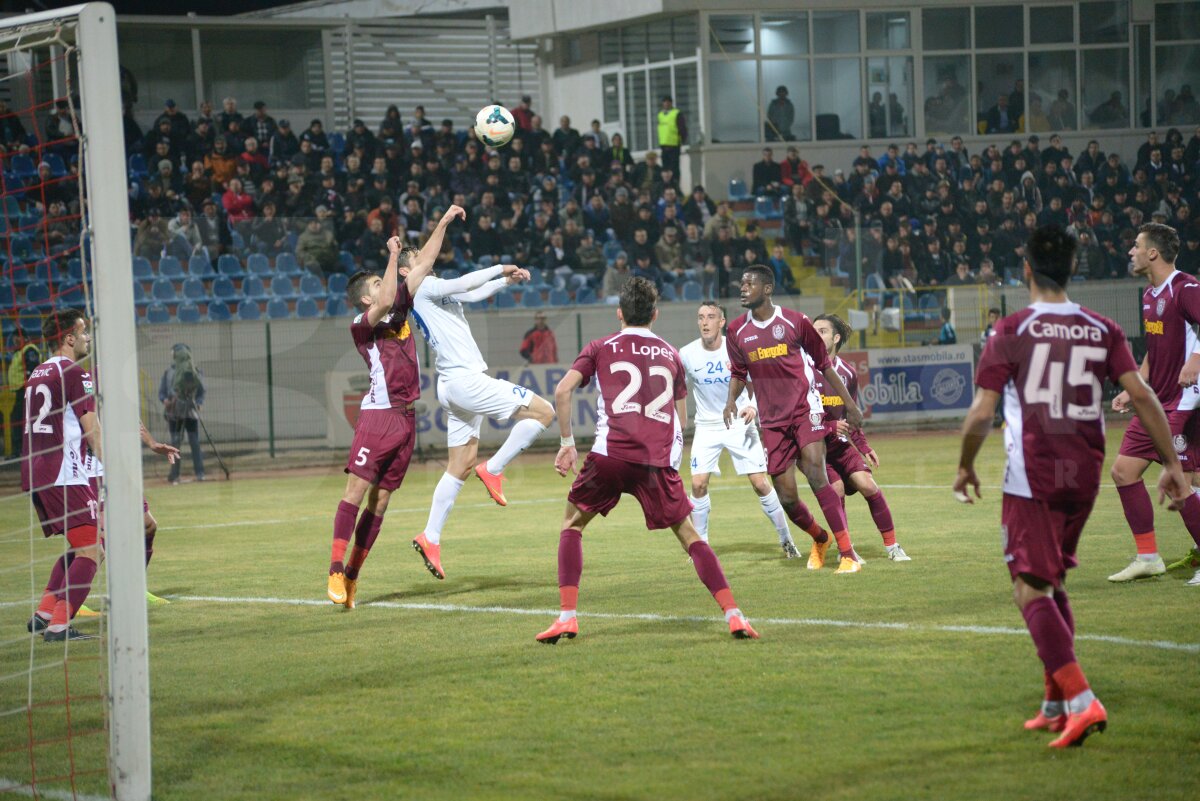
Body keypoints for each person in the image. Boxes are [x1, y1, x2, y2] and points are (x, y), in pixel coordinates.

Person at [953, 224, 1190, 747]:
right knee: (1051, 581)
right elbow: (1145, 396)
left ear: (1028, 270)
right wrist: (1172, 463)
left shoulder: (1011, 329)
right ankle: (1056, 699)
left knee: (1027, 587)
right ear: (1074, 268)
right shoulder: (1102, 327)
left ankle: (1081, 699)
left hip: (1032, 475)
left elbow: (980, 414)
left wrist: (966, 465)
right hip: (1082, 474)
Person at [536, 278, 759, 644]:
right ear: (654, 314)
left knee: (572, 526)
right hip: (654, 462)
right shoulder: (672, 354)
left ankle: (567, 617)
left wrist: (567, 443)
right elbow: (681, 420)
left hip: (609, 456)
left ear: (619, 312)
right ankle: (734, 615)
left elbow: (563, 391)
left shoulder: (600, 346)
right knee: (691, 537)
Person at [326, 210, 461, 608]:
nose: (386, 284)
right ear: (366, 298)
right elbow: (387, 295)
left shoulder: (398, 307)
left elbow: (424, 264)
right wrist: (390, 255)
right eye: (376, 283)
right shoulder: (362, 322)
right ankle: (334, 570)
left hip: (405, 418)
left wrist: (445, 222)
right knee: (356, 491)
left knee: (381, 502)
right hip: (378, 417)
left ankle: (352, 576)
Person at [409, 260, 556, 581]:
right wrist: (501, 268)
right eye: (419, 257)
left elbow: (471, 294)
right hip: (466, 380)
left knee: (460, 464)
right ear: (407, 271)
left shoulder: (433, 294)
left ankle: (430, 537)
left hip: (452, 383)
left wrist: (505, 283)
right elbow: (463, 283)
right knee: (545, 411)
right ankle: (494, 469)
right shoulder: (422, 287)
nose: (428, 260)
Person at [724, 265, 865, 574]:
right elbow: (738, 372)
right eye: (741, 284)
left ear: (767, 288)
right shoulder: (735, 330)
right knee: (787, 497)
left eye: (750, 284)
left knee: (816, 473)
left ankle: (848, 553)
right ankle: (821, 538)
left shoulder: (795, 321)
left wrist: (850, 405)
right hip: (772, 421)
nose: (742, 288)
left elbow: (825, 365)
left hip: (805, 409)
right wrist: (729, 401)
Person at [1107, 223, 1200, 585]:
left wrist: (1196, 359)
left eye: (1135, 245)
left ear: (1152, 253)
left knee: (1178, 482)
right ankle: (1148, 557)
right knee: (1123, 472)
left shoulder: (1186, 288)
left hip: (1183, 403)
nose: (1130, 251)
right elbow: (1154, 352)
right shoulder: (1149, 296)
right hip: (1156, 401)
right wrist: (1134, 386)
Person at [680, 302, 800, 557]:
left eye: (711, 317)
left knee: (760, 483)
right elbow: (678, 388)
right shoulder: (687, 354)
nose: (705, 322)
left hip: (739, 423)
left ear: (722, 322)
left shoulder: (736, 348)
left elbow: (757, 381)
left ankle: (787, 540)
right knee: (698, 485)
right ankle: (701, 549)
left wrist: (754, 407)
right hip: (707, 427)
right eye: (701, 317)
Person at [22, 310, 102, 641]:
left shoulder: (36, 373)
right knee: (93, 548)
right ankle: (59, 625)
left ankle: (45, 610)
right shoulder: (73, 371)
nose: (87, 338)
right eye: (83, 332)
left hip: (34, 471)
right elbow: (92, 428)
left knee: (81, 542)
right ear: (69, 337)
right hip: (62, 472)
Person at [812, 314, 909, 561]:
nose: (816, 335)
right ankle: (847, 550)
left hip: (841, 446)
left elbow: (851, 413)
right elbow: (798, 415)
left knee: (868, 485)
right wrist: (829, 426)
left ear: (835, 338)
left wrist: (864, 446)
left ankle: (892, 547)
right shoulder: (803, 370)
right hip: (815, 449)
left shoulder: (847, 373)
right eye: (814, 331)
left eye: (822, 331)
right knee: (837, 490)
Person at [158, 344, 207, 484]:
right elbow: (162, 393)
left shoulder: (195, 371)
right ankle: (176, 474)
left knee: (193, 442)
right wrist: (166, 401)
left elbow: (201, 391)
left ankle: (199, 473)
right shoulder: (169, 373)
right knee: (176, 443)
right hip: (175, 413)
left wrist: (199, 402)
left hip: (190, 412)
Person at [656, 95, 686, 176]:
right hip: (664, 145)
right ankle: (667, 186)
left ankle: (675, 185)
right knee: (665, 168)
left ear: (671, 103)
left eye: (668, 102)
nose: (666, 104)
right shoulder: (660, 115)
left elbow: (682, 128)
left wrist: (682, 140)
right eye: (664, 102)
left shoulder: (676, 113)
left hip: (674, 145)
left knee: (674, 169)